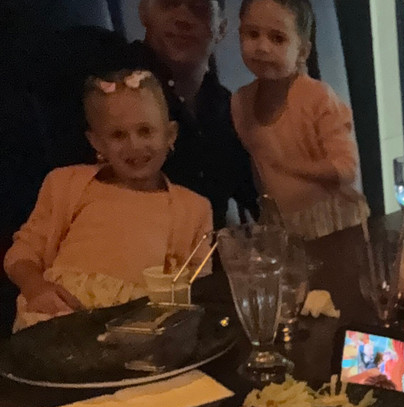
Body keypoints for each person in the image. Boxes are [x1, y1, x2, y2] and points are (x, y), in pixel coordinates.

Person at [4, 70, 212, 332]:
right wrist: (36, 288)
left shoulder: (194, 208)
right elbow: (22, 253)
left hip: (138, 325)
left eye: (145, 131)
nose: (134, 145)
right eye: (118, 135)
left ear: (169, 135)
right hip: (60, 315)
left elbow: (199, 285)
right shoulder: (64, 184)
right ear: (97, 142)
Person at [22, 0, 258, 229]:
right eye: (168, 3)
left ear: (221, 28)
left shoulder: (228, 107)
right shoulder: (105, 75)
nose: (183, 18)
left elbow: (255, 196)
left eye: (199, 8)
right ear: (144, 13)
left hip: (203, 250)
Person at [231, 0, 367, 239]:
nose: (262, 47)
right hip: (281, 227)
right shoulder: (241, 102)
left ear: (302, 51)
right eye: (252, 34)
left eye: (277, 38)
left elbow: (347, 168)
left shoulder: (319, 98)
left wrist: (291, 167)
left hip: (334, 224)